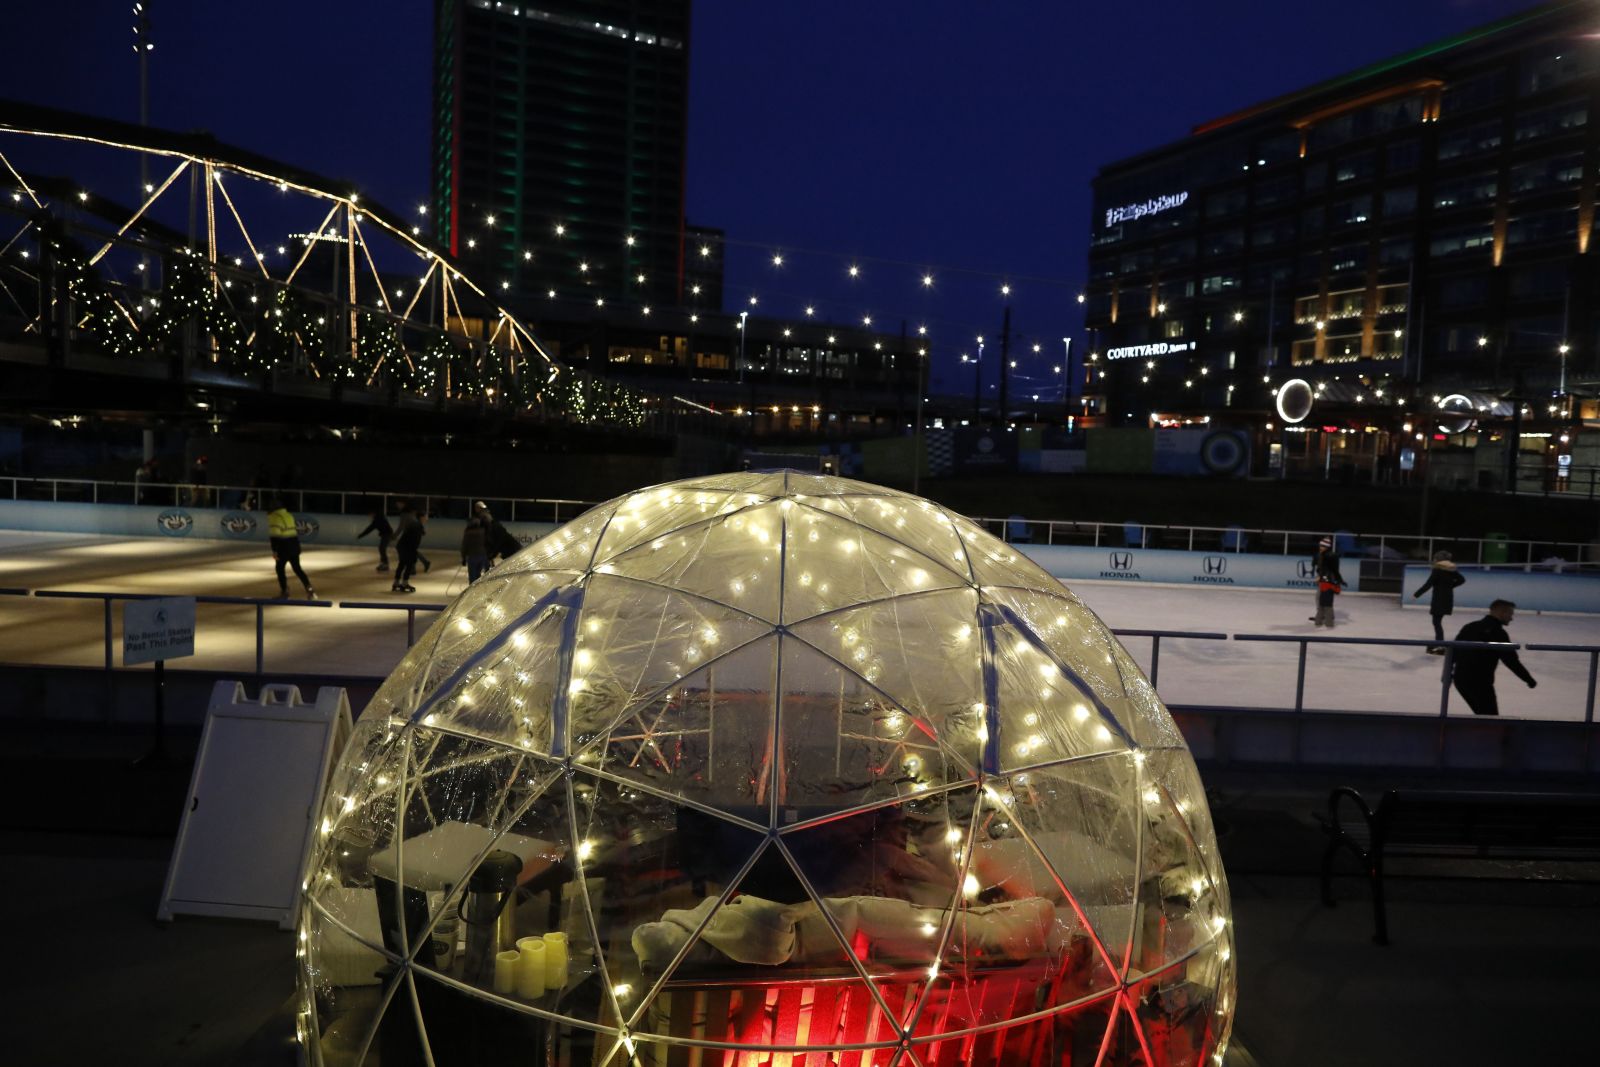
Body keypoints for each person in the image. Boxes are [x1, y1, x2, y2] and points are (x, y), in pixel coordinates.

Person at [1451, 599, 1536, 716]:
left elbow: (1453, 652)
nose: (1511, 618)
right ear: (1501, 612)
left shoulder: (1470, 627)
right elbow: (1511, 661)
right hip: (1480, 682)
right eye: (1510, 614)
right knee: (1490, 717)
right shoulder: (1498, 633)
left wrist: (1448, 673)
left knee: (1483, 715)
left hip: (1461, 680)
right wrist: (1529, 680)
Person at [1413, 550, 1465, 653]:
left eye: (1435, 558)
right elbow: (1462, 580)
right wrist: (1450, 586)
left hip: (1438, 599)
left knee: (1436, 622)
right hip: (1447, 599)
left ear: (1439, 560)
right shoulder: (1451, 570)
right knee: (1437, 622)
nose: (1434, 560)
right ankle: (1439, 643)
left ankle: (1440, 645)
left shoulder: (1437, 570)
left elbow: (1428, 584)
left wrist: (1416, 594)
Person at [266, 499, 315, 599]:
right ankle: (309, 589)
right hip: (294, 545)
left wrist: (274, 551)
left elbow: (275, 536)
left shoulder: (275, 517)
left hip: (283, 548)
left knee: (280, 569)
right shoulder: (288, 515)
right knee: (297, 569)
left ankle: (285, 591)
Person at [1309, 536, 1346, 626]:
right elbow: (1319, 567)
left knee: (1323, 597)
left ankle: (1323, 616)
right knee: (1321, 598)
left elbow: (1333, 569)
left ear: (1327, 547)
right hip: (1324, 579)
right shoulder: (1320, 555)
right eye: (1320, 545)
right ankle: (1324, 615)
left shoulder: (1331, 556)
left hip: (1328, 580)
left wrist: (1338, 580)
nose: (1320, 547)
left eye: (1323, 546)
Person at [393, 504, 426, 594]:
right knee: (409, 564)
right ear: (421, 517)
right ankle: (404, 583)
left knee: (402, 563)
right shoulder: (417, 525)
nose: (426, 519)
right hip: (407, 546)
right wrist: (413, 552)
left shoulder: (415, 524)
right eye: (425, 517)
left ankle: (396, 582)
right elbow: (414, 539)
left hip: (403, 546)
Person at [358, 506, 394, 572]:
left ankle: (385, 564)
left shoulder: (377, 520)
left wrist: (361, 535)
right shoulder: (379, 518)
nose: (369, 516)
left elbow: (369, 529)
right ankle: (383, 563)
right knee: (381, 548)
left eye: (370, 514)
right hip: (386, 534)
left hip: (387, 535)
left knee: (382, 548)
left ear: (373, 514)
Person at [461, 509, 490, 583]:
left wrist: (463, 557)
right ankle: (477, 586)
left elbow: (464, 546)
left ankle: (472, 587)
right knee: (478, 574)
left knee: (472, 576)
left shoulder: (468, 533)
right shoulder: (483, 531)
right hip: (482, 555)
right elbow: (487, 543)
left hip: (472, 556)